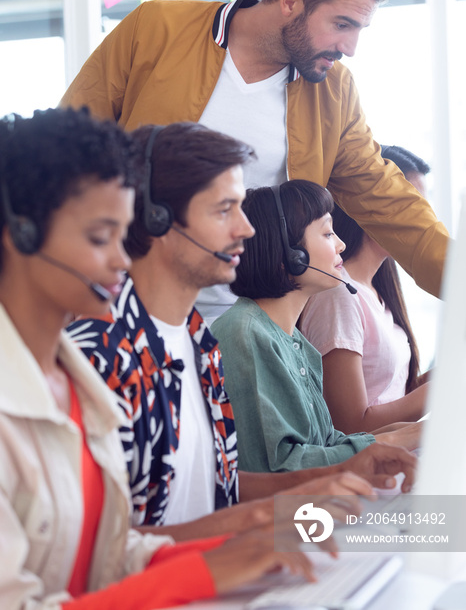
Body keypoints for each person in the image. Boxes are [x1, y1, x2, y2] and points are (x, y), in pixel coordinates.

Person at [0, 108, 327, 609]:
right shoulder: (96, 359)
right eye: (97, 237)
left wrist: (243, 538)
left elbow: (110, 555)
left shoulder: (82, 378)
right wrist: (203, 566)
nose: (120, 257)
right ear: (20, 236)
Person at [60, 0, 448, 323]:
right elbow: (66, 146)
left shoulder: (334, 91)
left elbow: (390, 203)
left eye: (359, 30)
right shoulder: (156, 29)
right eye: (342, 24)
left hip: (251, 332)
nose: (350, 47)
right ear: (291, 0)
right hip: (121, 312)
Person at [67, 123, 417, 542]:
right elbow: (105, 542)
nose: (247, 230)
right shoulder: (101, 354)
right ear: (157, 218)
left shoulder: (200, 341)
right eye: (223, 210)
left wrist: (341, 473)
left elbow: (222, 486)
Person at [211, 180, 421, 474]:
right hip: (286, 518)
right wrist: (401, 438)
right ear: (290, 253)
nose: (341, 244)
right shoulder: (245, 334)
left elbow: (326, 444)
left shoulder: (293, 340)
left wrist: (403, 437)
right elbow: (281, 469)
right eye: (327, 232)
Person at [299, 146, 431, 434]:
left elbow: (395, 396)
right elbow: (350, 427)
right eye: (414, 204)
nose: (424, 220)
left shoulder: (377, 291)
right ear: (371, 203)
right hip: (368, 472)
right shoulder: (338, 294)